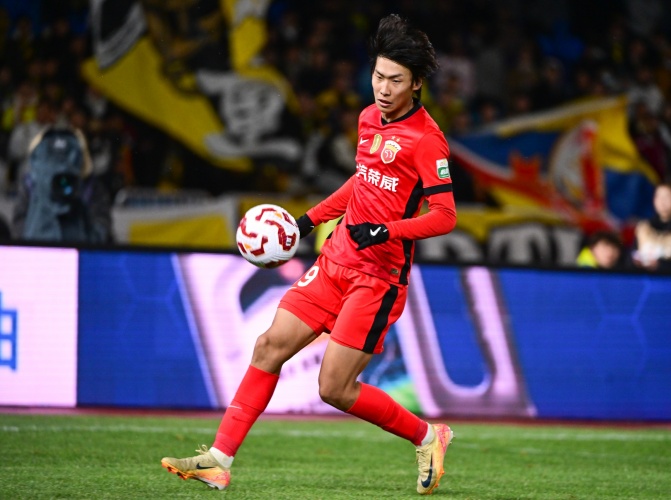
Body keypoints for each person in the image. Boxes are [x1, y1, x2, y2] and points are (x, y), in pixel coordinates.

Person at [161, 14, 457, 495]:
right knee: (269, 346)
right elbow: (361, 183)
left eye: (396, 80)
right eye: (378, 76)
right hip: (334, 262)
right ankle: (218, 460)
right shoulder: (368, 118)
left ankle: (427, 435)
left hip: (378, 280)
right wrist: (307, 221)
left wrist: (387, 230)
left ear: (417, 83)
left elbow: (444, 216)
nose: (383, 89)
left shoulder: (427, 140)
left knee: (333, 388)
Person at [12, 126, 111, 243]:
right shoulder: (31, 184)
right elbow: (19, 224)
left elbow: (102, 227)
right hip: (38, 249)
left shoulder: (91, 187)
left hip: (80, 248)